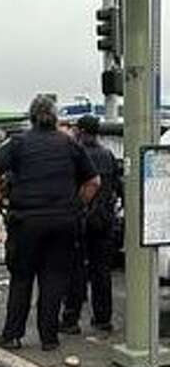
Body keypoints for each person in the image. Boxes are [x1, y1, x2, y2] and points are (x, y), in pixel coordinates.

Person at [0, 95, 100, 351]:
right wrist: (77, 205)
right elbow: (94, 182)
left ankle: (13, 335)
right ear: (55, 117)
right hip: (63, 221)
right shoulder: (70, 145)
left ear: (31, 116)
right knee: (54, 278)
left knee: (22, 278)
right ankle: (49, 338)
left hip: (26, 221)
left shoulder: (18, 143)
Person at [61, 115, 120, 334]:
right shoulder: (108, 155)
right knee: (101, 271)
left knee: (76, 270)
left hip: (80, 218)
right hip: (104, 220)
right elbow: (116, 186)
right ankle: (103, 318)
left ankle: (70, 319)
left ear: (82, 131)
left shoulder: (75, 154)